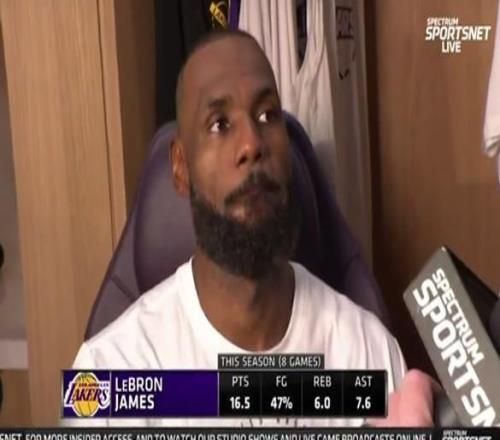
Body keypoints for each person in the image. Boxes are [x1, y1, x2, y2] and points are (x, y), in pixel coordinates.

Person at [66, 29, 437, 427]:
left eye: (266, 115)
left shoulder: (367, 352)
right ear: (181, 167)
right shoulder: (110, 373)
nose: (251, 144)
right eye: (219, 124)